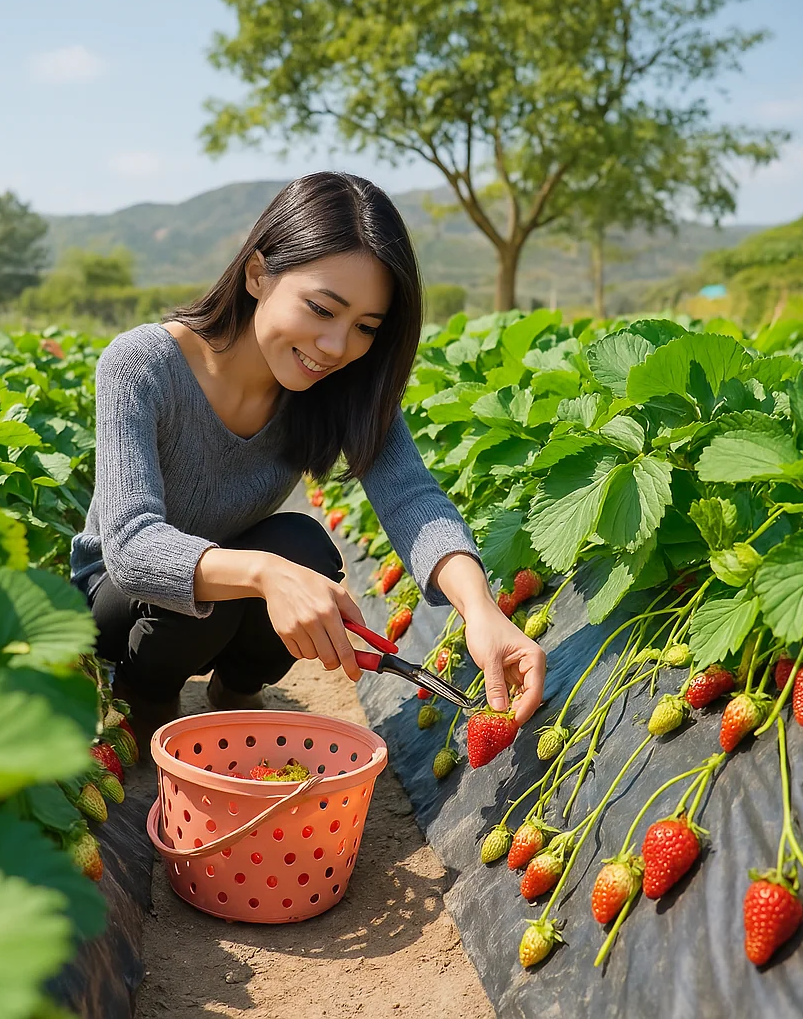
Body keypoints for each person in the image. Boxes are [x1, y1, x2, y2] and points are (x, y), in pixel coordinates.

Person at [70, 171, 546, 745]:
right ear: (257, 274)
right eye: (322, 309)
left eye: (365, 327)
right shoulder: (143, 364)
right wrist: (266, 574)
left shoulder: (341, 382)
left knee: (305, 549)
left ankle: (236, 689)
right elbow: (130, 546)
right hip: (119, 596)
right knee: (253, 576)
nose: (337, 346)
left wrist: (482, 610)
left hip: (230, 576)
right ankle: (145, 695)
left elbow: (411, 496)